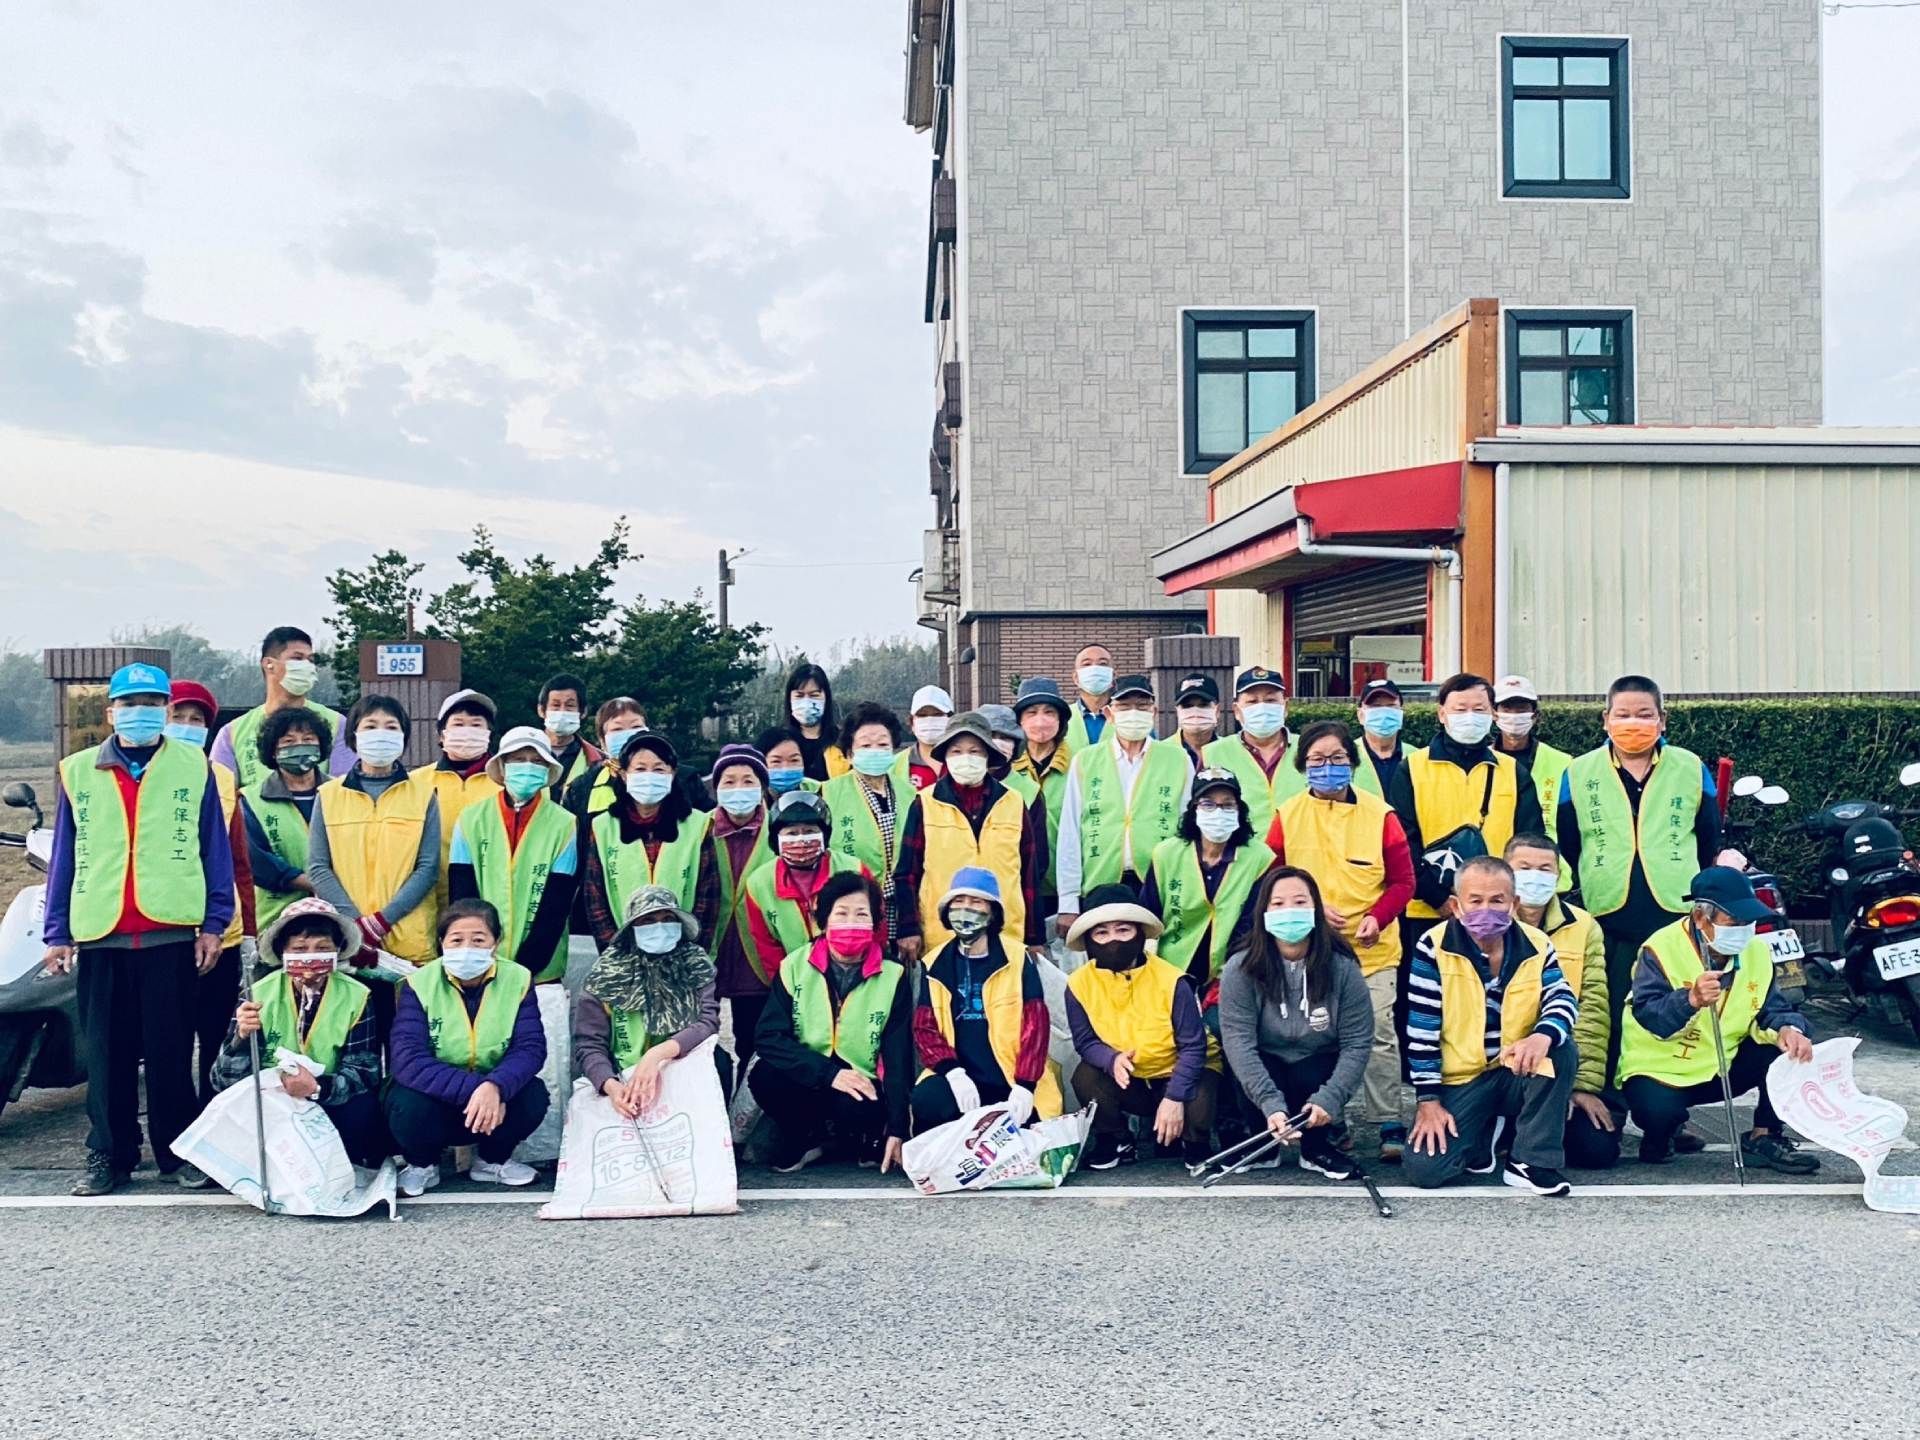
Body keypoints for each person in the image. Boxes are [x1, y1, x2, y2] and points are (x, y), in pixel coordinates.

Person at [42, 662, 236, 1196]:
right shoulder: (77, 770)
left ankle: (179, 1154)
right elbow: (65, 856)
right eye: (130, 704)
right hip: (101, 933)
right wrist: (57, 930)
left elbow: (212, 850)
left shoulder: (193, 767)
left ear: (167, 712)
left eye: (152, 704)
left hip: (169, 932)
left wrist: (215, 923)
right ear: (110, 713)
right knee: (107, 1056)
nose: (141, 713)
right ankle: (110, 1153)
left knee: (171, 1053)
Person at [1557, 675, 1740, 1114]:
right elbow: (1569, 840)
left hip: (1673, 910)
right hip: (1609, 908)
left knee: (1674, 1008)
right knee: (1611, 1009)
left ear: (1662, 719)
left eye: (1644, 714)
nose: (1632, 723)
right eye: (1622, 715)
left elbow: (1708, 837)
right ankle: (1608, 1105)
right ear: (1605, 719)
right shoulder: (1579, 772)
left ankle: (1668, 1113)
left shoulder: (1688, 766)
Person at [1265, 721, 1416, 1160]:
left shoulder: (1380, 814)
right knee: (1320, 1033)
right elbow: (1270, 877)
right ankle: (1332, 1118)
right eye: (1316, 760)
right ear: (1302, 766)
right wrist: (1309, 912)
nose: (1327, 768)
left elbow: (1403, 881)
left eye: (1336, 759)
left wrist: (1377, 916)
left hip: (1373, 946)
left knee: (1379, 1032)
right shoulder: (1288, 815)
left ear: (1352, 762)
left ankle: (1388, 1120)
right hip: (1310, 947)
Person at [1616, 867, 1819, 1173]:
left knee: (1786, 1054)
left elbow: (1772, 1008)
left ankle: (1764, 1136)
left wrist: (1788, 1029)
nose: (1744, 929)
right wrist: (1690, 1000)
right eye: (1733, 922)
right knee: (1656, 1112)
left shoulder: (1757, 952)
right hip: (1661, 1067)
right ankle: (1662, 1133)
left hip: (1725, 1062)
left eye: (1749, 921)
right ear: (1701, 918)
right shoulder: (1659, 948)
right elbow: (1648, 1014)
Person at [1404, 856, 1576, 1196]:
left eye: (1497, 900)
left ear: (1514, 904)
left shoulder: (1537, 944)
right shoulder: (1433, 947)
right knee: (1426, 1169)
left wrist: (1542, 1035)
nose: (1487, 909)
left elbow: (1563, 998)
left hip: (1515, 1068)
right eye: (1476, 900)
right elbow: (1421, 1031)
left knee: (1561, 1048)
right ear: (1456, 905)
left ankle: (1530, 1161)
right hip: (1462, 1078)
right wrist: (1428, 1101)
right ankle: (1483, 1133)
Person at [1388, 672, 1545, 1039]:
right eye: (1460, 708)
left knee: (1494, 1000)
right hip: (1428, 910)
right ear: (1442, 713)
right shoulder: (1412, 768)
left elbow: (1530, 839)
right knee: (1429, 1001)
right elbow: (1402, 843)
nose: (1469, 716)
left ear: (1492, 713)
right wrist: (1442, 898)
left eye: (1479, 708)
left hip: (1496, 912)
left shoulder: (1511, 771)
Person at [1217, 867, 1374, 1180]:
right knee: (1237, 1056)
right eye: (1278, 904)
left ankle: (1316, 1148)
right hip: (1266, 1063)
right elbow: (1238, 1041)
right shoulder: (1240, 967)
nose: (1289, 911)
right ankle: (1264, 1143)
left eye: (1300, 902)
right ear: (1262, 912)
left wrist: (1329, 1099)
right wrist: (1270, 1104)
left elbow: (1358, 1040)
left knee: (1315, 1068)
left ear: (1316, 909)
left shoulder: (1342, 966)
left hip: (1316, 1063)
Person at [384, 899, 550, 1195]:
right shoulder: (417, 984)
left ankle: (491, 1162)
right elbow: (408, 1059)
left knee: (533, 1095)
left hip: (494, 1099)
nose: (466, 949)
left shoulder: (518, 979)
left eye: (478, 940)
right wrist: (478, 1089)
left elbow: (531, 1047)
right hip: (438, 1098)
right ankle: (422, 1165)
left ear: (495, 943)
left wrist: (496, 1086)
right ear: (442, 943)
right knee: (406, 1104)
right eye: (456, 940)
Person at [750, 871, 911, 1172]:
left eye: (861, 914)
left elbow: (898, 1055)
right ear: (823, 920)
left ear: (875, 922)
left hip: (861, 1083)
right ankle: (806, 1138)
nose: (851, 922)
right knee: (765, 1076)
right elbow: (769, 1037)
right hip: (809, 1073)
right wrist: (828, 1074)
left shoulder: (893, 975)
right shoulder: (795, 965)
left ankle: (860, 1138)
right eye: (841, 913)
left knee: (857, 1105)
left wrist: (899, 1127)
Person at [210, 897, 385, 1168]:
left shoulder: (358, 995)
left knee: (363, 1108)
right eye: (300, 949)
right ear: (283, 953)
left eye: (322, 948)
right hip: (273, 1102)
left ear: (337, 951)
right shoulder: (257, 993)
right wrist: (241, 1039)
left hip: (330, 1097)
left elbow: (365, 1072)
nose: (310, 958)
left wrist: (316, 1087)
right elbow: (223, 1081)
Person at [1064, 884, 1217, 1166]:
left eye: (1123, 930)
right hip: (1130, 1076)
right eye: (1101, 932)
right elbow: (1085, 1042)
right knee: (1085, 1076)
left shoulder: (1173, 980)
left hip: (1177, 1071)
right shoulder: (1077, 984)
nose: (1113, 940)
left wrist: (1174, 1097)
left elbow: (1193, 1047)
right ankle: (1115, 1139)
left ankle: (1196, 1142)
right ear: (1088, 940)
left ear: (1140, 933)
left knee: (1199, 1096)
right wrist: (1111, 1059)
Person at [892, 711, 1049, 964]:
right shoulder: (925, 802)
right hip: (941, 935)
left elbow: (1029, 875)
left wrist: (1034, 938)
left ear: (988, 756)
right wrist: (908, 929)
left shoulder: (1013, 801)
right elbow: (907, 873)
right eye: (956, 751)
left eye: (975, 751)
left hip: (1005, 934)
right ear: (945, 756)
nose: (966, 758)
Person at [168, 678, 259, 1109]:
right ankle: (176, 1127)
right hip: (163, 932)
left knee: (215, 1034)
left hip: (220, 932)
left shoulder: (221, 778)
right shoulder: (144, 776)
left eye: (196, 719)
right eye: (178, 717)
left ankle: (211, 1126)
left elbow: (239, 861)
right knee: (169, 1039)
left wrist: (250, 933)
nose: (187, 726)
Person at [306, 695, 442, 979]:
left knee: (407, 1022)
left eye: (391, 727)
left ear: (404, 738)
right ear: (354, 736)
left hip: (409, 941)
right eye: (370, 726)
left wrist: (381, 922)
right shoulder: (328, 795)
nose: (381, 734)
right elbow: (318, 867)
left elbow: (427, 868)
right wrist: (355, 928)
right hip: (347, 942)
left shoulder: (424, 794)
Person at [910, 868, 1058, 1129]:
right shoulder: (934, 964)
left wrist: (1025, 1085)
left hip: (1012, 1079)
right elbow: (925, 1028)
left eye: (976, 902)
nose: (966, 909)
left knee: (1032, 1133)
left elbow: (1036, 1026)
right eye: (959, 901)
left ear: (993, 912)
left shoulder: (1017, 958)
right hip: (963, 1081)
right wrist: (953, 1072)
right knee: (927, 1101)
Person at [1506, 833, 1616, 1170]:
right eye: (1524, 867)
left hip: (1557, 1063)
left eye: (1545, 868)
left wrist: (1581, 1086)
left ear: (1558, 875)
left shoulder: (1583, 926)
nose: (1535, 876)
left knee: (1596, 1151)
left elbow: (1593, 1009)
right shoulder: (1483, 921)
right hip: (1498, 1066)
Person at [1055, 674, 1194, 937]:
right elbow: (1071, 831)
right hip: (1100, 881)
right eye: (1124, 706)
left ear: (1153, 711)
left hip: (1157, 882)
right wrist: (1068, 901)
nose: (1134, 713)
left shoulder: (1177, 758)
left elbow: (1188, 829)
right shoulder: (1086, 760)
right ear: (1109, 713)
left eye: (1142, 706)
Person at [574, 885, 724, 1116]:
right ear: (632, 928)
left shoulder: (695, 963)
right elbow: (589, 1044)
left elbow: (707, 1022)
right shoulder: (605, 974)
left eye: (667, 919)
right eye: (648, 921)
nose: (659, 927)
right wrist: (611, 1086)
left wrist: (657, 1055)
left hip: (678, 1063)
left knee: (719, 1061)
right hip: (622, 1073)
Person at [447, 727, 581, 983]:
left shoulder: (564, 824)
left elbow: (558, 902)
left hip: (541, 970)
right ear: (502, 766)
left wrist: (528, 965)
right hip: (480, 962)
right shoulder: (471, 819)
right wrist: (478, 950)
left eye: (537, 761)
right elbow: (462, 895)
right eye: (518, 760)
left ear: (547, 770)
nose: (527, 767)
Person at [581, 729, 719, 950]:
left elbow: (708, 898)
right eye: (640, 769)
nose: (649, 776)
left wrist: (691, 951)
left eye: (658, 769)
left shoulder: (698, 825)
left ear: (672, 774)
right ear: (624, 775)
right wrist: (615, 951)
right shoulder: (603, 826)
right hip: (624, 952)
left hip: (682, 952)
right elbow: (595, 897)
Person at [1140, 767, 1274, 984]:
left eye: (1228, 804)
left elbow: (1252, 924)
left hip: (1233, 971)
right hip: (1170, 969)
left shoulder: (1259, 858)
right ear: (1194, 809)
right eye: (1208, 804)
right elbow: (1149, 915)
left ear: (1239, 810)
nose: (1218, 812)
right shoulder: (1166, 854)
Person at [210, 626, 352, 789]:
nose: (307, 666)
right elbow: (222, 797)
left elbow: (345, 790)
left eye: (310, 660)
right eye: (297, 659)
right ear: (269, 664)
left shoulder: (337, 724)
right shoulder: (232, 732)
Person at [705, 743, 775, 1071]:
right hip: (708, 948)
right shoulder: (700, 829)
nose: (738, 789)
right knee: (701, 1038)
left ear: (762, 785)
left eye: (748, 780)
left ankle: (747, 1110)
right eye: (729, 781)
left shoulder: (778, 830)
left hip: (757, 955)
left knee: (753, 1038)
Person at [745, 791, 868, 977]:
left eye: (810, 831)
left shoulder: (854, 869)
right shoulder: (759, 882)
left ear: (825, 836)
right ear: (776, 839)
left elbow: (876, 928)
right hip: (793, 976)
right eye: (792, 833)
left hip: (854, 971)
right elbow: (766, 945)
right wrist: (786, 985)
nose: (801, 840)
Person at [241, 706, 334, 935]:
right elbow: (255, 860)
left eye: (308, 739)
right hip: (276, 921)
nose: (299, 746)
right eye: (289, 741)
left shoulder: (339, 792)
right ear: (273, 751)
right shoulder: (251, 799)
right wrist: (318, 884)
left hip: (338, 917)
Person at [823, 703, 912, 918]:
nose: (875, 751)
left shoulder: (910, 794)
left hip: (903, 906)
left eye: (882, 745)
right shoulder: (827, 794)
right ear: (849, 754)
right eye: (865, 746)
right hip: (850, 909)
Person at [428, 689, 500, 910]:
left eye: (476, 725)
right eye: (458, 724)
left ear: (489, 733)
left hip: (491, 901)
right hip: (429, 903)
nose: (467, 731)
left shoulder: (506, 782)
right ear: (442, 734)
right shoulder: (417, 782)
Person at [1011, 678, 1074, 924]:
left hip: (1065, 887)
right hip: (1019, 883)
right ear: (1020, 721)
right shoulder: (1009, 769)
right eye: (1032, 712)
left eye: (1049, 712)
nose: (1041, 720)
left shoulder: (1080, 765)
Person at [1493, 676, 1571, 870]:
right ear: (1494, 714)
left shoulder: (1562, 762)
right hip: (1494, 871)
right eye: (1507, 709)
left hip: (1549, 874)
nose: (1514, 715)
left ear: (1535, 715)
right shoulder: (1482, 762)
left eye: (1521, 709)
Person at [565, 696, 648, 816]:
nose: (629, 735)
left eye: (636, 727)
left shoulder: (682, 779)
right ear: (602, 741)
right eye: (617, 729)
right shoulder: (580, 789)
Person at [536, 672, 603, 803]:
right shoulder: (519, 754)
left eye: (570, 706)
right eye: (555, 705)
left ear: (583, 712)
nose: (562, 711)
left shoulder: (597, 760)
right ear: (541, 710)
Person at [782, 660, 849, 782]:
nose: (806, 702)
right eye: (799, 696)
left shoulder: (843, 740)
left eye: (814, 695)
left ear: (826, 697)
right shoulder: (779, 740)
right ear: (789, 699)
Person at [1355, 679, 1409, 797]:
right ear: (1360, 715)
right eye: (1375, 706)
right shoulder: (1346, 755)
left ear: (1401, 713)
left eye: (1391, 706)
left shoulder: (1416, 756)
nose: (1383, 712)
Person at [1064, 642, 1114, 751]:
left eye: (1103, 664)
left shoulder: (1128, 718)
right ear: (1076, 678)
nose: (1095, 669)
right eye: (1087, 664)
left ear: (1113, 675)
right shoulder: (1062, 717)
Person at [903, 685, 954, 791]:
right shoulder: (897, 765)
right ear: (912, 722)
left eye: (937, 714)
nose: (930, 720)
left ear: (950, 720)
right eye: (922, 715)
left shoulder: (964, 760)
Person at [1172, 672, 1221, 769]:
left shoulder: (1234, 751)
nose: (1195, 711)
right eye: (1187, 706)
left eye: (1203, 705)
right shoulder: (1160, 752)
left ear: (1217, 711)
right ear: (1177, 712)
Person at [756, 727, 815, 800]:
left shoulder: (820, 793)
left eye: (794, 760)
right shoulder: (750, 802)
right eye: (776, 761)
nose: (786, 769)